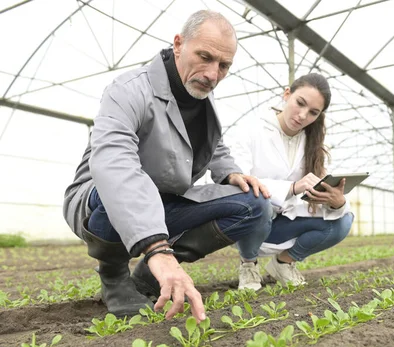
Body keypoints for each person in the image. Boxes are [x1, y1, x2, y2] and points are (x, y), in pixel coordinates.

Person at [63, 10, 272, 322]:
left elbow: (214, 145)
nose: (213, 74)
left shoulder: (201, 94)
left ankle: (147, 276)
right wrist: (157, 246)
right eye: (205, 57)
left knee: (254, 205)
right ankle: (113, 275)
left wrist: (230, 172)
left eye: (224, 66)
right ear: (178, 44)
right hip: (102, 204)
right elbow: (114, 165)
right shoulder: (129, 90)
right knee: (115, 185)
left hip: (165, 202)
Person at [229, 73, 354, 290]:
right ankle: (248, 263)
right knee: (260, 204)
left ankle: (284, 263)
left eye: (313, 112)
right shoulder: (251, 130)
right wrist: (292, 188)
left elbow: (329, 201)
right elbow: (238, 183)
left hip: (281, 223)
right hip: (248, 224)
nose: (303, 115)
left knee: (344, 220)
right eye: (300, 103)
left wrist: (336, 201)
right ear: (287, 94)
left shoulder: (311, 143)